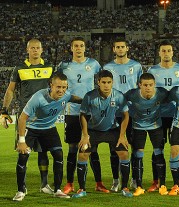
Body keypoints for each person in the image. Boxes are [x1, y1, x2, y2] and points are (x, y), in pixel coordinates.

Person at [13, 72, 81, 201]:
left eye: (64, 87)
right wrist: (21, 140)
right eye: (58, 87)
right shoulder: (38, 98)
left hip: (49, 128)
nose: (61, 90)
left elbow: (75, 98)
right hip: (31, 128)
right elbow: (22, 118)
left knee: (59, 155)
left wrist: (89, 100)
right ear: (51, 85)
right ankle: (21, 190)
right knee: (23, 156)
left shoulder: (66, 96)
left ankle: (58, 190)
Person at [0, 38, 54, 194]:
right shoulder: (19, 69)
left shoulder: (49, 68)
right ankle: (21, 189)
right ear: (27, 50)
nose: (35, 50)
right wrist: (4, 110)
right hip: (26, 116)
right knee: (24, 151)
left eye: (38, 48)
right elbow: (10, 90)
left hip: (44, 116)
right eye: (32, 48)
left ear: (42, 50)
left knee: (44, 151)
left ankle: (44, 185)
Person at [71, 70, 132, 198]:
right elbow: (83, 115)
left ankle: (125, 187)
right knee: (82, 154)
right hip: (93, 131)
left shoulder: (119, 96)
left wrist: (122, 135)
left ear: (112, 83)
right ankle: (82, 189)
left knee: (124, 153)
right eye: (103, 82)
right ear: (98, 82)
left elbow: (126, 115)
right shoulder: (89, 96)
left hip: (112, 130)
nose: (106, 85)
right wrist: (85, 135)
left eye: (109, 82)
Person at [57, 37, 106, 194]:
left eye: (81, 46)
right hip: (72, 112)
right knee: (72, 148)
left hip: (91, 112)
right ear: (71, 48)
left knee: (93, 148)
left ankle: (99, 183)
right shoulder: (63, 66)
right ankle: (70, 183)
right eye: (76, 46)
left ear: (85, 48)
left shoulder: (93, 64)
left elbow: (102, 82)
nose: (79, 48)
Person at [147, 40, 179, 192]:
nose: (166, 53)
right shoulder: (152, 70)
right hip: (158, 115)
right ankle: (156, 181)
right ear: (159, 53)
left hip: (176, 115)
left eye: (169, 50)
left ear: (173, 52)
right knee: (157, 148)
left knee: (177, 148)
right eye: (163, 51)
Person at [103, 38, 143, 191]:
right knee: (114, 148)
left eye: (122, 47)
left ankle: (134, 179)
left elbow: (140, 86)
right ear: (114, 49)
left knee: (134, 147)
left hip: (132, 112)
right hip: (113, 113)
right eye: (117, 47)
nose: (120, 49)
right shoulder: (107, 67)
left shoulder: (136, 66)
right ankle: (115, 180)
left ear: (127, 48)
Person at [124, 73, 169, 196]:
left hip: (156, 126)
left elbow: (172, 98)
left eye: (150, 85)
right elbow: (121, 101)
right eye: (145, 85)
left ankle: (162, 185)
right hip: (138, 127)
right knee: (138, 155)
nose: (148, 87)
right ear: (140, 85)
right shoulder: (132, 94)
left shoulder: (162, 93)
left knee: (159, 153)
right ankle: (139, 186)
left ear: (154, 85)